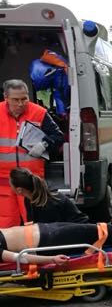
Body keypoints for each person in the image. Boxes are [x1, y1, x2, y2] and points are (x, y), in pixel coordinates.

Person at [0, 214, 112, 266]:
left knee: (101, 232)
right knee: (103, 232)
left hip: (45, 231)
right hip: (48, 241)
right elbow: (19, 258)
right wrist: (51, 260)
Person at [0, 79, 65, 227]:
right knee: (6, 226)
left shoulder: (39, 113)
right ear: (6, 97)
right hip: (4, 183)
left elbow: (58, 136)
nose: (21, 103)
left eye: (24, 99)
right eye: (16, 100)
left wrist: (44, 144)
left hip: (32, 182)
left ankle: (34, 250)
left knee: (36, 225)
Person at [9, 167, 90, 223]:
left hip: (80, 237)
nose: (10, 186)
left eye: (11, 184)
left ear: (19, 190)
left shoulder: (49, 204)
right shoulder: (29, 199)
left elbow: (53, 233)